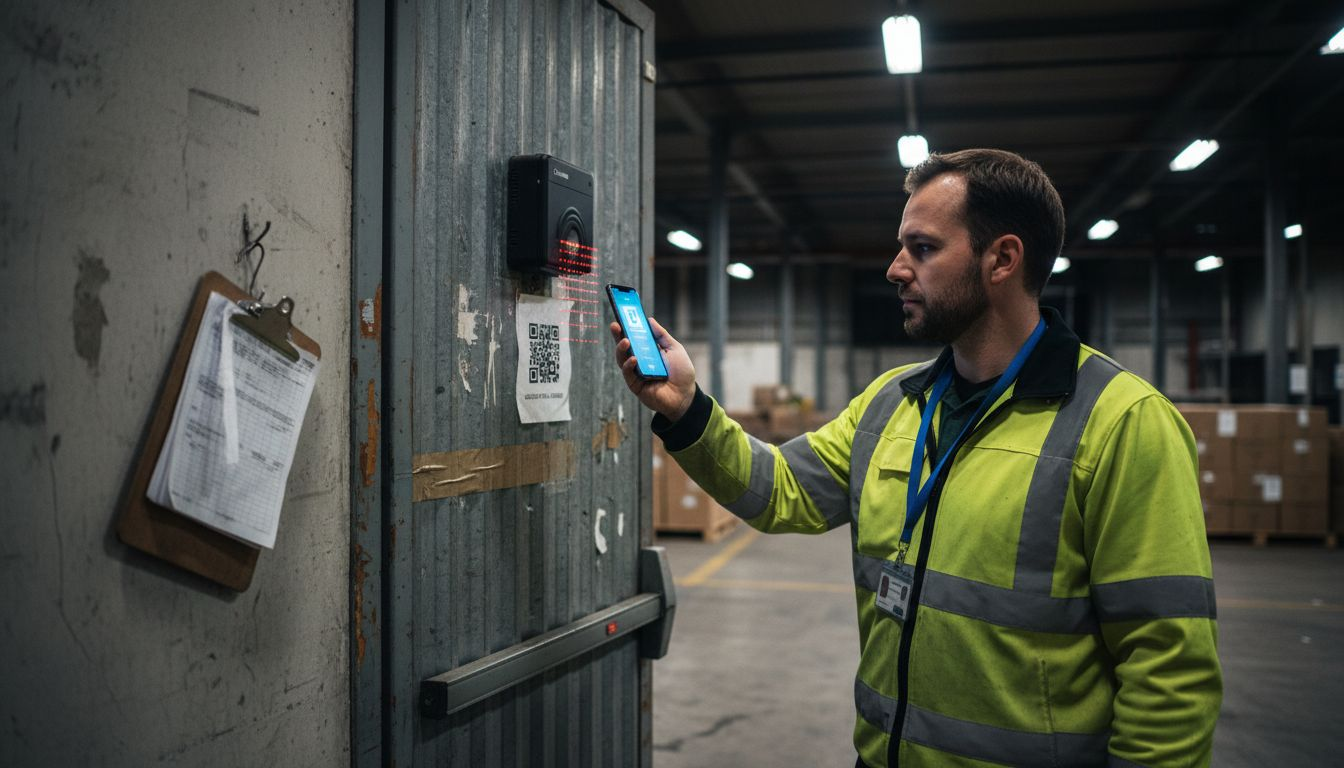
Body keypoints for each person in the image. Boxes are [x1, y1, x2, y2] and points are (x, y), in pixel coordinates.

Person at [610, 148, 1222, 767]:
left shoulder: (1122, 424)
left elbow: (1168, 672)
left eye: (923, 248)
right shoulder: (892, 403)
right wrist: (687, 408)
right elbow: (780, 492)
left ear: (1002, 259)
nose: (895, 269)